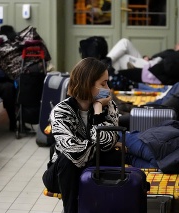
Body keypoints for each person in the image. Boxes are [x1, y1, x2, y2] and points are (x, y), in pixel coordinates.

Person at [42, 57, 122, 213]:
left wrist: (98, 111)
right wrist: (101, 146)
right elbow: (75, 153)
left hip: (92, 168)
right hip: (60, 175)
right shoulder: (61, 111)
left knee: (114, 156)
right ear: (87, 83)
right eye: (103, 83)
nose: (108, 88)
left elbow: (107, 143)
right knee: (67, 159)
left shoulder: (108, 106)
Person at [107, 38, 179, 85]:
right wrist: (147, 58)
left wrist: (150, 62)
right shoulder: (173, 53)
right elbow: (158, 58)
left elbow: (166, 66)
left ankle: (102, 65)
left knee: (121, 58)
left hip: (150, 69)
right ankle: (105, 63)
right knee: (125, 43)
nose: (176, 45)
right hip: (148, 63)